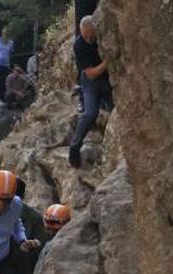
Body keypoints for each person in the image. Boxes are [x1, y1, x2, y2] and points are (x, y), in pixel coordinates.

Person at [68, 15, 113, 168]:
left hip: (108, 80)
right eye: (85, 36)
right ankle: (74, 147)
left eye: (91, 36)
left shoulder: (103, 37)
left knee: (116, 111)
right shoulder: (79, 45)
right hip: (90, 81)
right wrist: (107, 62)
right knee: (91, 113)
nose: (88, 39)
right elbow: (91, 74)